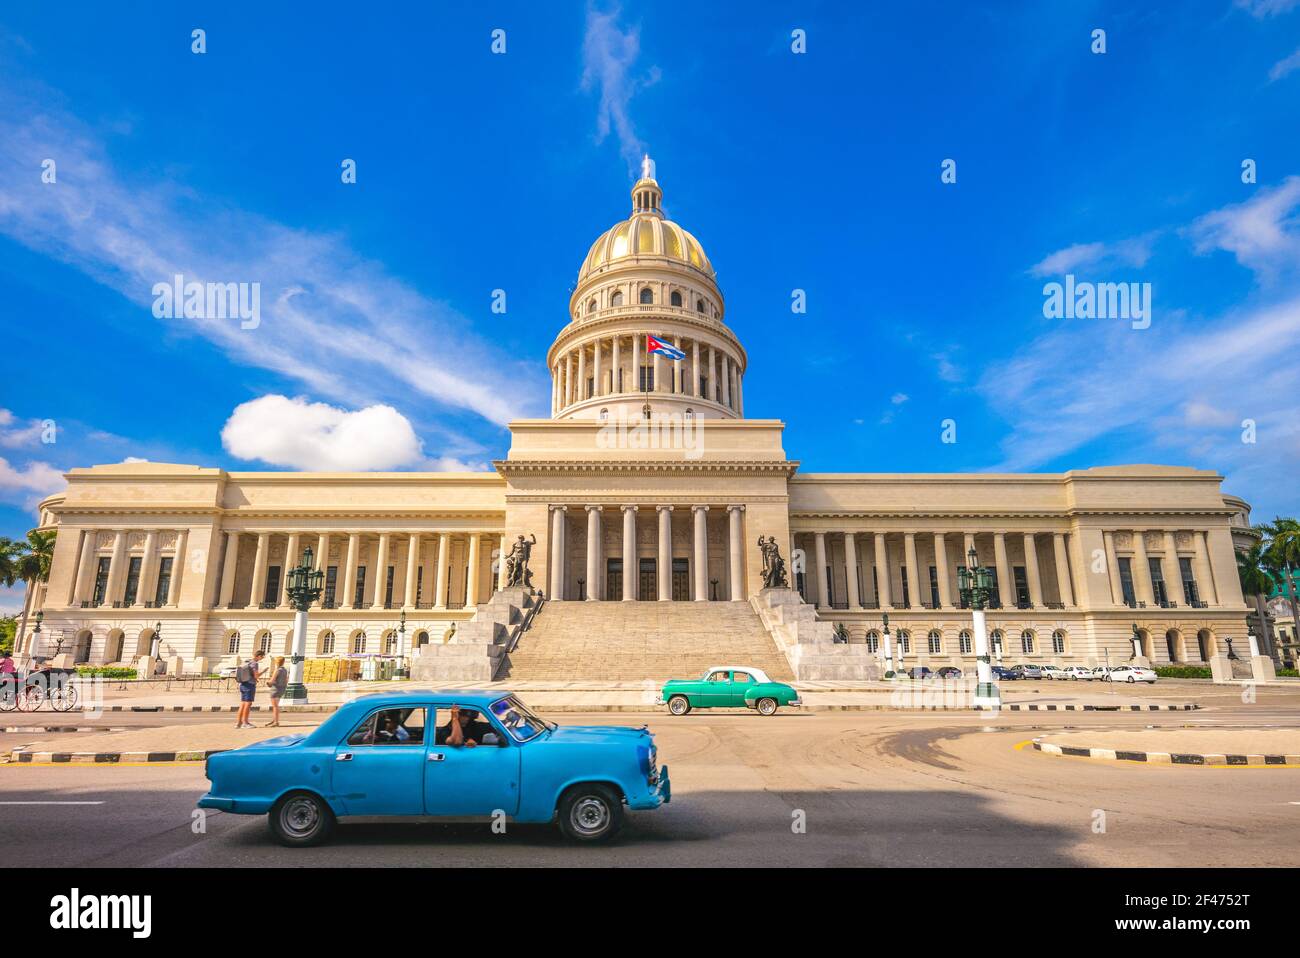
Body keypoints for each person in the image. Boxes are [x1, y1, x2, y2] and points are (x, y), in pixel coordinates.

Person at [235, 649, 266, 729]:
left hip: (243, 684)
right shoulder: (255, 664)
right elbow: (256, 676)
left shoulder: (247, 661)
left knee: (242, 704)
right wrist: (263, 671)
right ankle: (245, 723)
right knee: (248, 704)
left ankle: (238, 723)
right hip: (249, 685)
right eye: (262, 657)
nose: (262, 659)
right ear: (259, 656)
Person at [265, 656, 287, 727]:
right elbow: (286, 680)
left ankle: (276, 722)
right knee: (276, 705)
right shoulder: (284, 670)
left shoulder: (277, 670)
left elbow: (272, 681)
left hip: (275, 689)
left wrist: (267, 682)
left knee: (275, 706)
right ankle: (274, 720)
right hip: (281, 689)